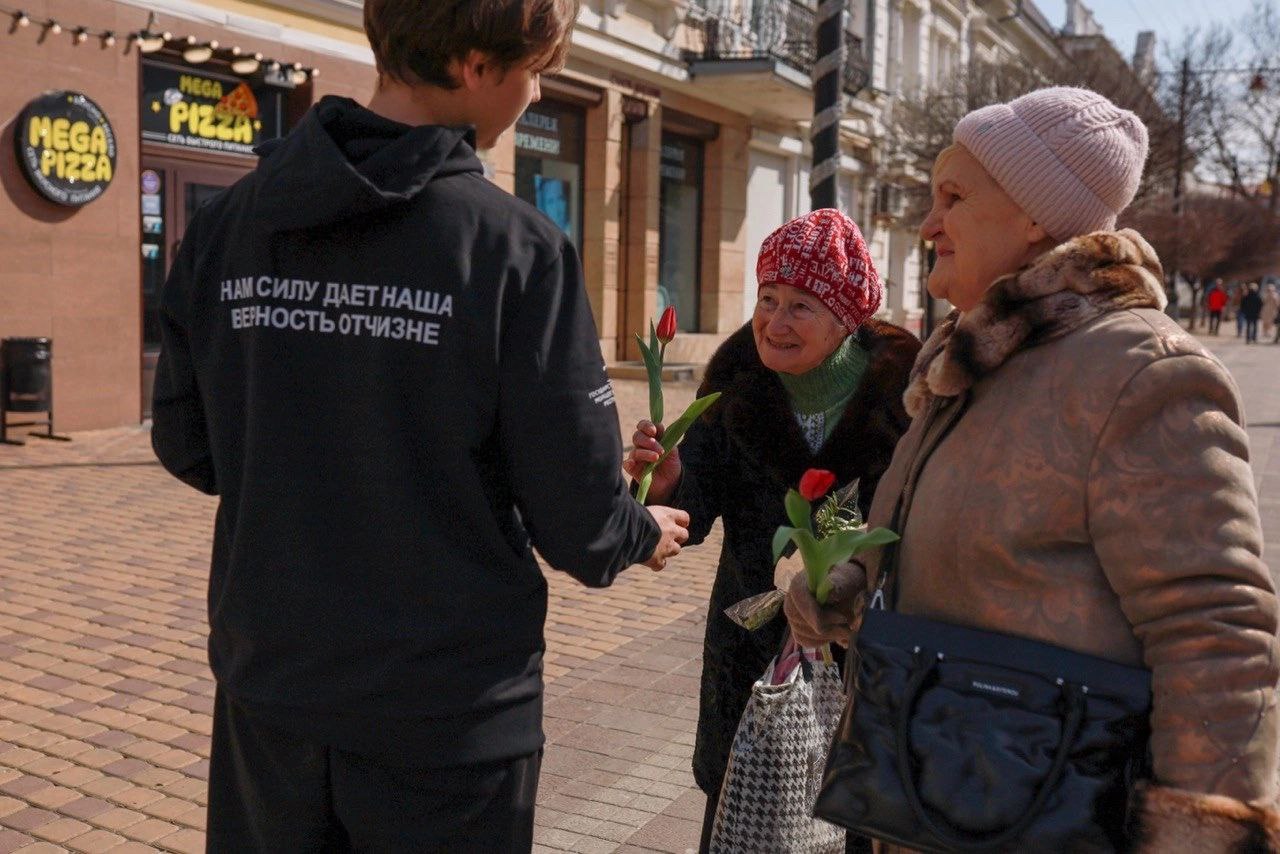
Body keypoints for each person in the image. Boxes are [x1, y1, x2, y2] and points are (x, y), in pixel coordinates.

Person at [150, 1, 691, 850]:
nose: (536, 91)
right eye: (535, 70)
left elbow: (186, 444)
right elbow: (579, 518)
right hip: (447, 713)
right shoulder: (517, 249)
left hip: (273, 685)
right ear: (476, 65)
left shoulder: (230, 222)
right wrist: (639, 530)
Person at [786, 87, 1280, 849]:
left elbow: (1216, 639)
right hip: (935, 805)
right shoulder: (974, 357)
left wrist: (1198, 838)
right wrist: (846, 590)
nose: (928, 223)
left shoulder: (1140, 370)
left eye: (954, 196)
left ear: (1035, 216)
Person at [624, 208, 920, 853]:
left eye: (800, 306)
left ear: (846, 318)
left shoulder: (910, 401)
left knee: (856, 822)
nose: (773, 322)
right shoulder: (734, 390)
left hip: (866, 657)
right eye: (767, 298)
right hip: (753, 658)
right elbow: (690, 518)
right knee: (743, 819)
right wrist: (669, 482)